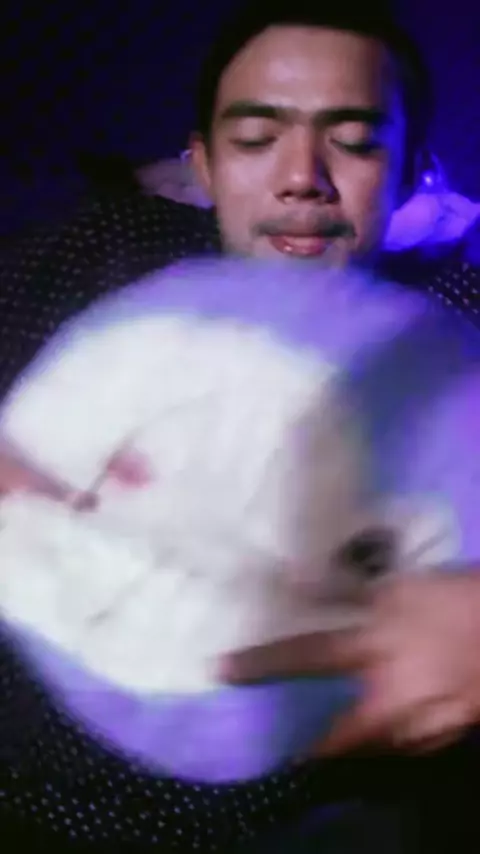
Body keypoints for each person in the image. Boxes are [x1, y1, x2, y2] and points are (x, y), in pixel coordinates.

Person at [0, 2, 480, 851]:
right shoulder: (95, 259)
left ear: (411, 173)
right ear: (206, 166)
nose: (302, 177)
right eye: (257, 139)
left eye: (354, 142)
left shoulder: (457, 332)